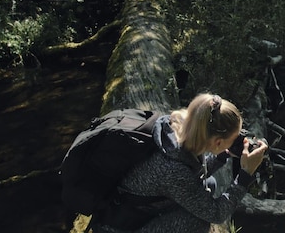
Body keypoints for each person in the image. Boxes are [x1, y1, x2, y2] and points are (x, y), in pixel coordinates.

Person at [93, 93, 268, 233]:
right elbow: (216, 213)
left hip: (139, 208)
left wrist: (224, 155)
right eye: (234, 138)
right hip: (118, 228)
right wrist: (245, 174)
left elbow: (195, 170)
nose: (238, 140)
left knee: (209, 183)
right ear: (218, 143)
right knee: (198, 222)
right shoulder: (172, 170)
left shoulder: (181, 127)